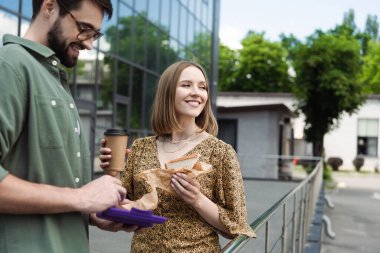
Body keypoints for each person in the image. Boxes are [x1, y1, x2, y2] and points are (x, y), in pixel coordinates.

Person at [0, 1, 129, 252]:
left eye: (95, 34)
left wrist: (94, 212)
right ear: (49, 7)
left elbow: (54, 189)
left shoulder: (55, 79)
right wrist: (82, 197)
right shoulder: (10, 65)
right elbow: (74, 196)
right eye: (84, 27)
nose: (90, 43)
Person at [99, 60, 255, 252]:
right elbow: (120, 207)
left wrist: (197, 199)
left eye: (202, 87)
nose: (197, 93)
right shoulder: (141, 147)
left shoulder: (221, 152)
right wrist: (111, 172)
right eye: (186, 85)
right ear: (168, 92)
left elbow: (236, 226)